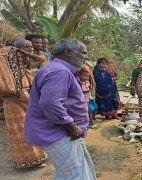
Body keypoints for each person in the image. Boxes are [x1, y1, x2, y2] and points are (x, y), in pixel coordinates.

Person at [24, 38, 96, 179]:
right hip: (59, 132)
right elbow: (51, 104)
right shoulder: (60, 72)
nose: (86, 57)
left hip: (61, 131)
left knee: (74, 171)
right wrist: (71, 127)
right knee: (72, 174)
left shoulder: (57, 69)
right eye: (83, 53)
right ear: (68, 52)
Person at [0, 39, 47, 169]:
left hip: (26, 98)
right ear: (16, 50)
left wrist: (23, 52)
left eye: (31, 47)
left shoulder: (23, 64)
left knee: (31, 127)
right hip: (13, 103)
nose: (31, 49)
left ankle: (38, 156)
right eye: (27, 47)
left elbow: (40, 60)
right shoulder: (7, 64)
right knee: (20, 130)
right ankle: (29, 160)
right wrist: (17, 51)